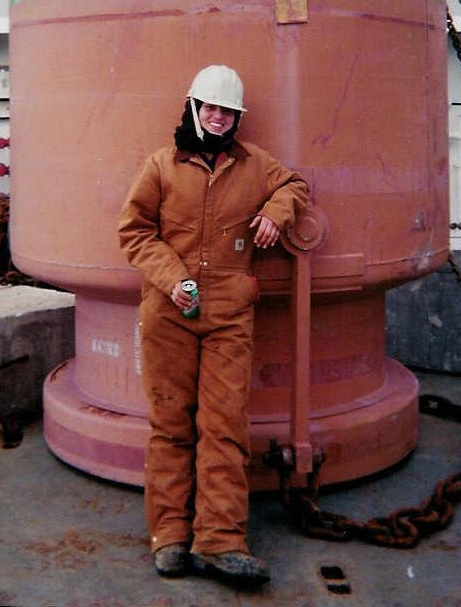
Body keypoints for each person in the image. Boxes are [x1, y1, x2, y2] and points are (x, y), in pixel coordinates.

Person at [118, 64, 309, 587]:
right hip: (169, 313)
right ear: (193, 109)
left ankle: (220, 542)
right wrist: (172, 278)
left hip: (229, 316)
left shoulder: (255, 165)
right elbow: (134, 232)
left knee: (224, 427)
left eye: (229, 111)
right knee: (171, 426)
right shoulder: (161, 166)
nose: (220, 118)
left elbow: (296, 184)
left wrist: (278, 210)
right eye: (212, 108)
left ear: (237, 118)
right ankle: (171, 537)